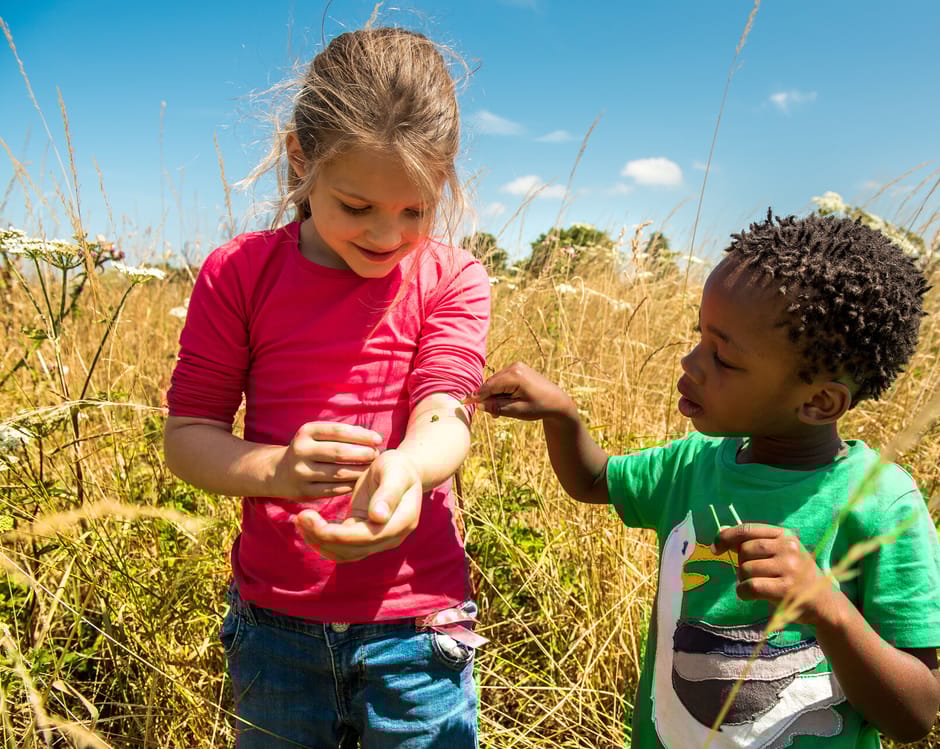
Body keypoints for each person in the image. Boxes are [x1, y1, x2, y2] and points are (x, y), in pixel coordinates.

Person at [466, 212, 940, 748]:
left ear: (819, 401)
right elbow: (595, 480)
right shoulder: (691, 465)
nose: (690, 363)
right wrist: (563, 415)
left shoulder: (883, 503)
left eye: (724, 358)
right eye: (699, 338)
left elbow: (915, 714)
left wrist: (828, 609)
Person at [163, 26, 490, 748]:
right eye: (356, 206)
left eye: (415, 210)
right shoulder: (239, 273)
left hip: (418, 628)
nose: (388, 235)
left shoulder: (453, 278)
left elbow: (445, 409)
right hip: (274, 627)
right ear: (301, 159)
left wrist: (407, 468)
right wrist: (277, 470)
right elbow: (187, 436)